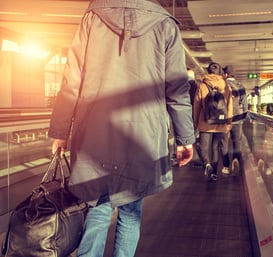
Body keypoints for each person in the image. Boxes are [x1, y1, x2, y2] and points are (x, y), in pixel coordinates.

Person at [48, 1, 195, 256]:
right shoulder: (165, 24)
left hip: (95, 131)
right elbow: (178, 90)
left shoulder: (93, 17)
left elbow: (72, 80)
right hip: (143, 134)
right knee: (130, 208)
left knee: (98, 206)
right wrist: (185, 139)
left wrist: (60, 131)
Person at [193, 62, 232, 181]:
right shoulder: (226, 86)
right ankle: (214, 173)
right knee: (215, 147)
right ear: (220, 72)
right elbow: (229, 106)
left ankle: (207, 164)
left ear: (208, 71)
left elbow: (197, 105)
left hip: (205, 122)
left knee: (204, 147)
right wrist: (228, 122)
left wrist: (196, 121)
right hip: (220, 123)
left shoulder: (202, 85)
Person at [221, 65, 247, 175]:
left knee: (224, 143)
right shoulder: (240, 86)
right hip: (237, 118)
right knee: (237, 142)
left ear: (226, 74)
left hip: (224, 119)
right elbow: (244, 103)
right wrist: (244, 116)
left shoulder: (222, 85)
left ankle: (226, 166)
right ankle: (236, 160)